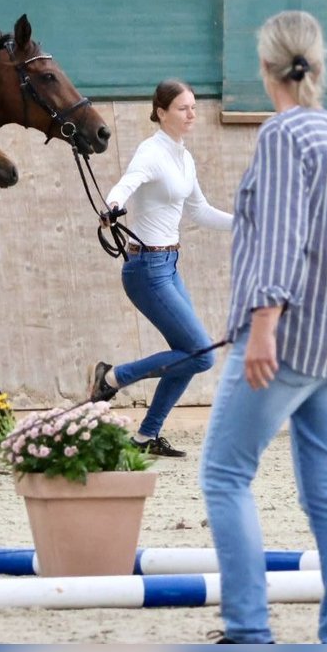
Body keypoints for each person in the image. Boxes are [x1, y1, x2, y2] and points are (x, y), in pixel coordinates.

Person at [199, 10, 327, 644]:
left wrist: (264, 324)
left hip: (287, 340)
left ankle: (248, 631)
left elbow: (281, 237)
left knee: (224, 475)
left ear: (265, 67)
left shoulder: (282, 136)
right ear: (316, 64)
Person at [87, 79, 233, 457]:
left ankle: (144, 437)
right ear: (162, 111)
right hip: (146, 269)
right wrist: (113, 206)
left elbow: (199, 211)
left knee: (187, 356)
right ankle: (112, 377)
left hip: (168, 264)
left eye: (194, 108)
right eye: (183, 108)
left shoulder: (184, 157)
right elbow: (126, 183)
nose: (192, 114)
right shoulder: (150, 152)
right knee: (202, 354)